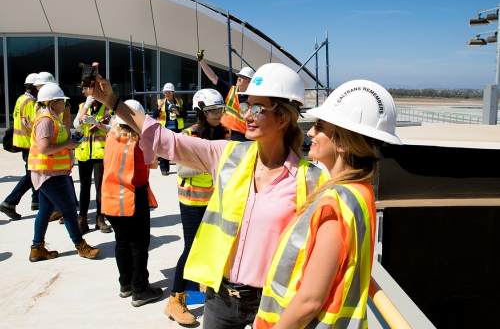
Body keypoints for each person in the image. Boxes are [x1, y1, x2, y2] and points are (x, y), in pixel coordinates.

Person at [88, 62, 330, 328]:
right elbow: (166, 140)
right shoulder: (228, 154)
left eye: (257, 109)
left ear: (283, 117)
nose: (246, 115)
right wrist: (111, 100)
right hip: (221, 299)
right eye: (246, 106)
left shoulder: (311, 180)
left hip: (275, 303)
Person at [254, 80, 403, 328]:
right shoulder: (360, 190)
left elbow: (310, 301)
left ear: (344, 142)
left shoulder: (336, 200)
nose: (310, 132)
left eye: (320, 126)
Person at [164, 88, 229, 325]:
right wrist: (213, 161)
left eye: (220, 109)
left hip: (215, 200)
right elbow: (182, 168)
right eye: (212, 111)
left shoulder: (226, 132)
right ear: (200, 110)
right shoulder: (188, 135)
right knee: (191, 248)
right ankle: (174, 300)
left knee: (213, 247)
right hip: (191, 200)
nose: (217, 114)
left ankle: (210, 292)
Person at [27, 83, 100, 262]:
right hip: (49, 174)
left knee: (45, 211)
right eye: (62, 102)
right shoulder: (46, 120)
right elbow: (44, 148)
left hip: (51, 173)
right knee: (68, 210)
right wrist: (68, 145)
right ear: (53, 103)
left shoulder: (52, 118)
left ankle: (37, 248)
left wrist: (70, 142)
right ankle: (80, 245)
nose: (65, 105)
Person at [101, 99, 163, 307]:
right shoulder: (141, 142)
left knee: (121, 242)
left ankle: (125, 284)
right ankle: (140, 289)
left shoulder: (111, 136)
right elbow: (153, 165)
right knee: (138, 245)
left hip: (109, 197)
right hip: (132, 197)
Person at [72, 78, 112, 233]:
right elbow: (76, 125)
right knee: (84, 187)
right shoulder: (83, 106)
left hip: (100, 154)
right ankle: (82, 218)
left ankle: (100, 218)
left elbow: (111, 129)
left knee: (100, 188)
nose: (83, 91)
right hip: (84, 154)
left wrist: (95, 121)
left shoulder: (107, 108)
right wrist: (86, 106)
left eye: (86, 89)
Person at [0, 73, 40, 220]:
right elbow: (35, 124)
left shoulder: (21, 99)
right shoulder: (30, 102)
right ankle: (9, 202)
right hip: (30, 144)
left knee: (32, 173)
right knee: (32, 175)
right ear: (35, 87)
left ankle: (36, 201)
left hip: (23, 143)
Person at [34, 71, 72, 222]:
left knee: (46, 208)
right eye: (38, 87)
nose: (40, 90)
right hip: (48, 167)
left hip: (55, 164)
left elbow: (66, 127)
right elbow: (43, 147)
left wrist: (68, 145)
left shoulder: (58, 108)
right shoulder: (44, 116)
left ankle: (37, 244)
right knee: (66, 208)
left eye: (41, 86)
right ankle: (79, 242)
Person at [197, 50, 255, 141]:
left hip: (246, 135)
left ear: (250, 81)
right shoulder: (230, 90)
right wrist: (201, 62)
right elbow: (212, 77)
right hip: (227, 133)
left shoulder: (255, 96)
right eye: (239, 76)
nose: (239, 78)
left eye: (242, 77)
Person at [152, 82, 186, 176]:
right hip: (164, 129)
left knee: (178, 149)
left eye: (169, 92)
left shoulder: (179, 102)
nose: (167, 94)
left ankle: (181, 167)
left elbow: (185, 114)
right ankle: (164, 169)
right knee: (164, 149)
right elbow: (155, 115)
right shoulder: (160, 102)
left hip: (177, 129)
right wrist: (159, 107)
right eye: (165, 92)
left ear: (173, 92)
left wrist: (178, 112)